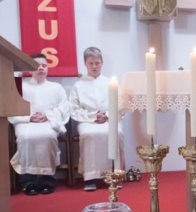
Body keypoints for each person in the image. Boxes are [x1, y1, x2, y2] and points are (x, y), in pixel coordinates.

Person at [8, 54, 69, 195]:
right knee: (25, 137)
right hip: (25, 122)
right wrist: (30, 117)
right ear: (29, 69)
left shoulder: (56, 87)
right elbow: (12, 109)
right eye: (37, 66)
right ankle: (28, 181)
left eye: (44, 66)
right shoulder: (21, 87)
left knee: (48, 136)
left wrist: (47, 115)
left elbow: (64, 109)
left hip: (49, 121)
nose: (41, 68)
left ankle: (47, 179)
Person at [69, 47, 124, 190]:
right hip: (87, 121)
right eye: (91, 63)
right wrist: (93, 116)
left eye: (97, 63)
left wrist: (108, 115)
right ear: (85, 63)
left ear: (102, 63)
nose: (94, 66)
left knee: (116, 133)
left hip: (110, 119)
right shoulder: (78, 86)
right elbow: (74, 109)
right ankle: (90, 177)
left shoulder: (112, 83)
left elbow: (121, 104)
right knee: (88, 135)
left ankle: (115, 175)